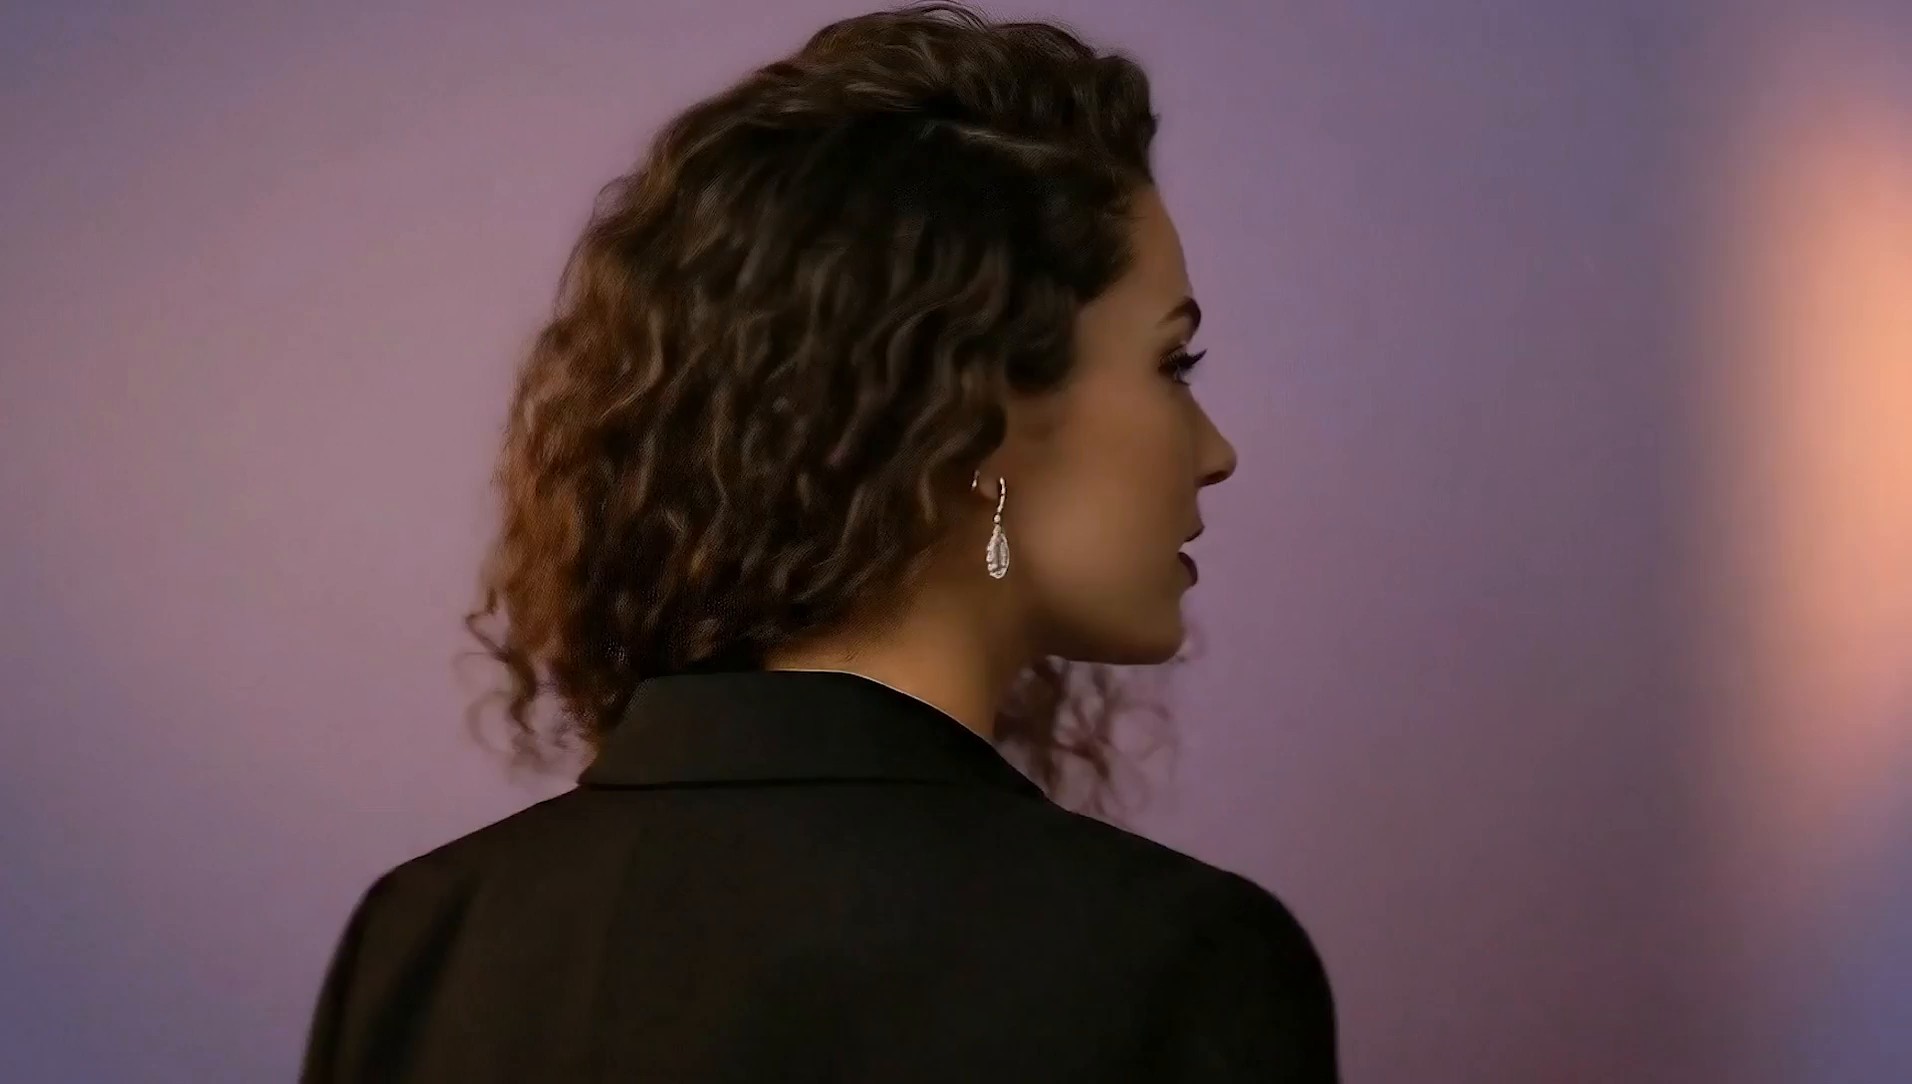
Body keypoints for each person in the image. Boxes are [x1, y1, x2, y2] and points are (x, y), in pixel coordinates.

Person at [298, 2, 1338, 1080]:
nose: (1215, 451)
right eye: (1173, 365)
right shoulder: (1174, 958)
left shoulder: (424, 938)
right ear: (979, 415)